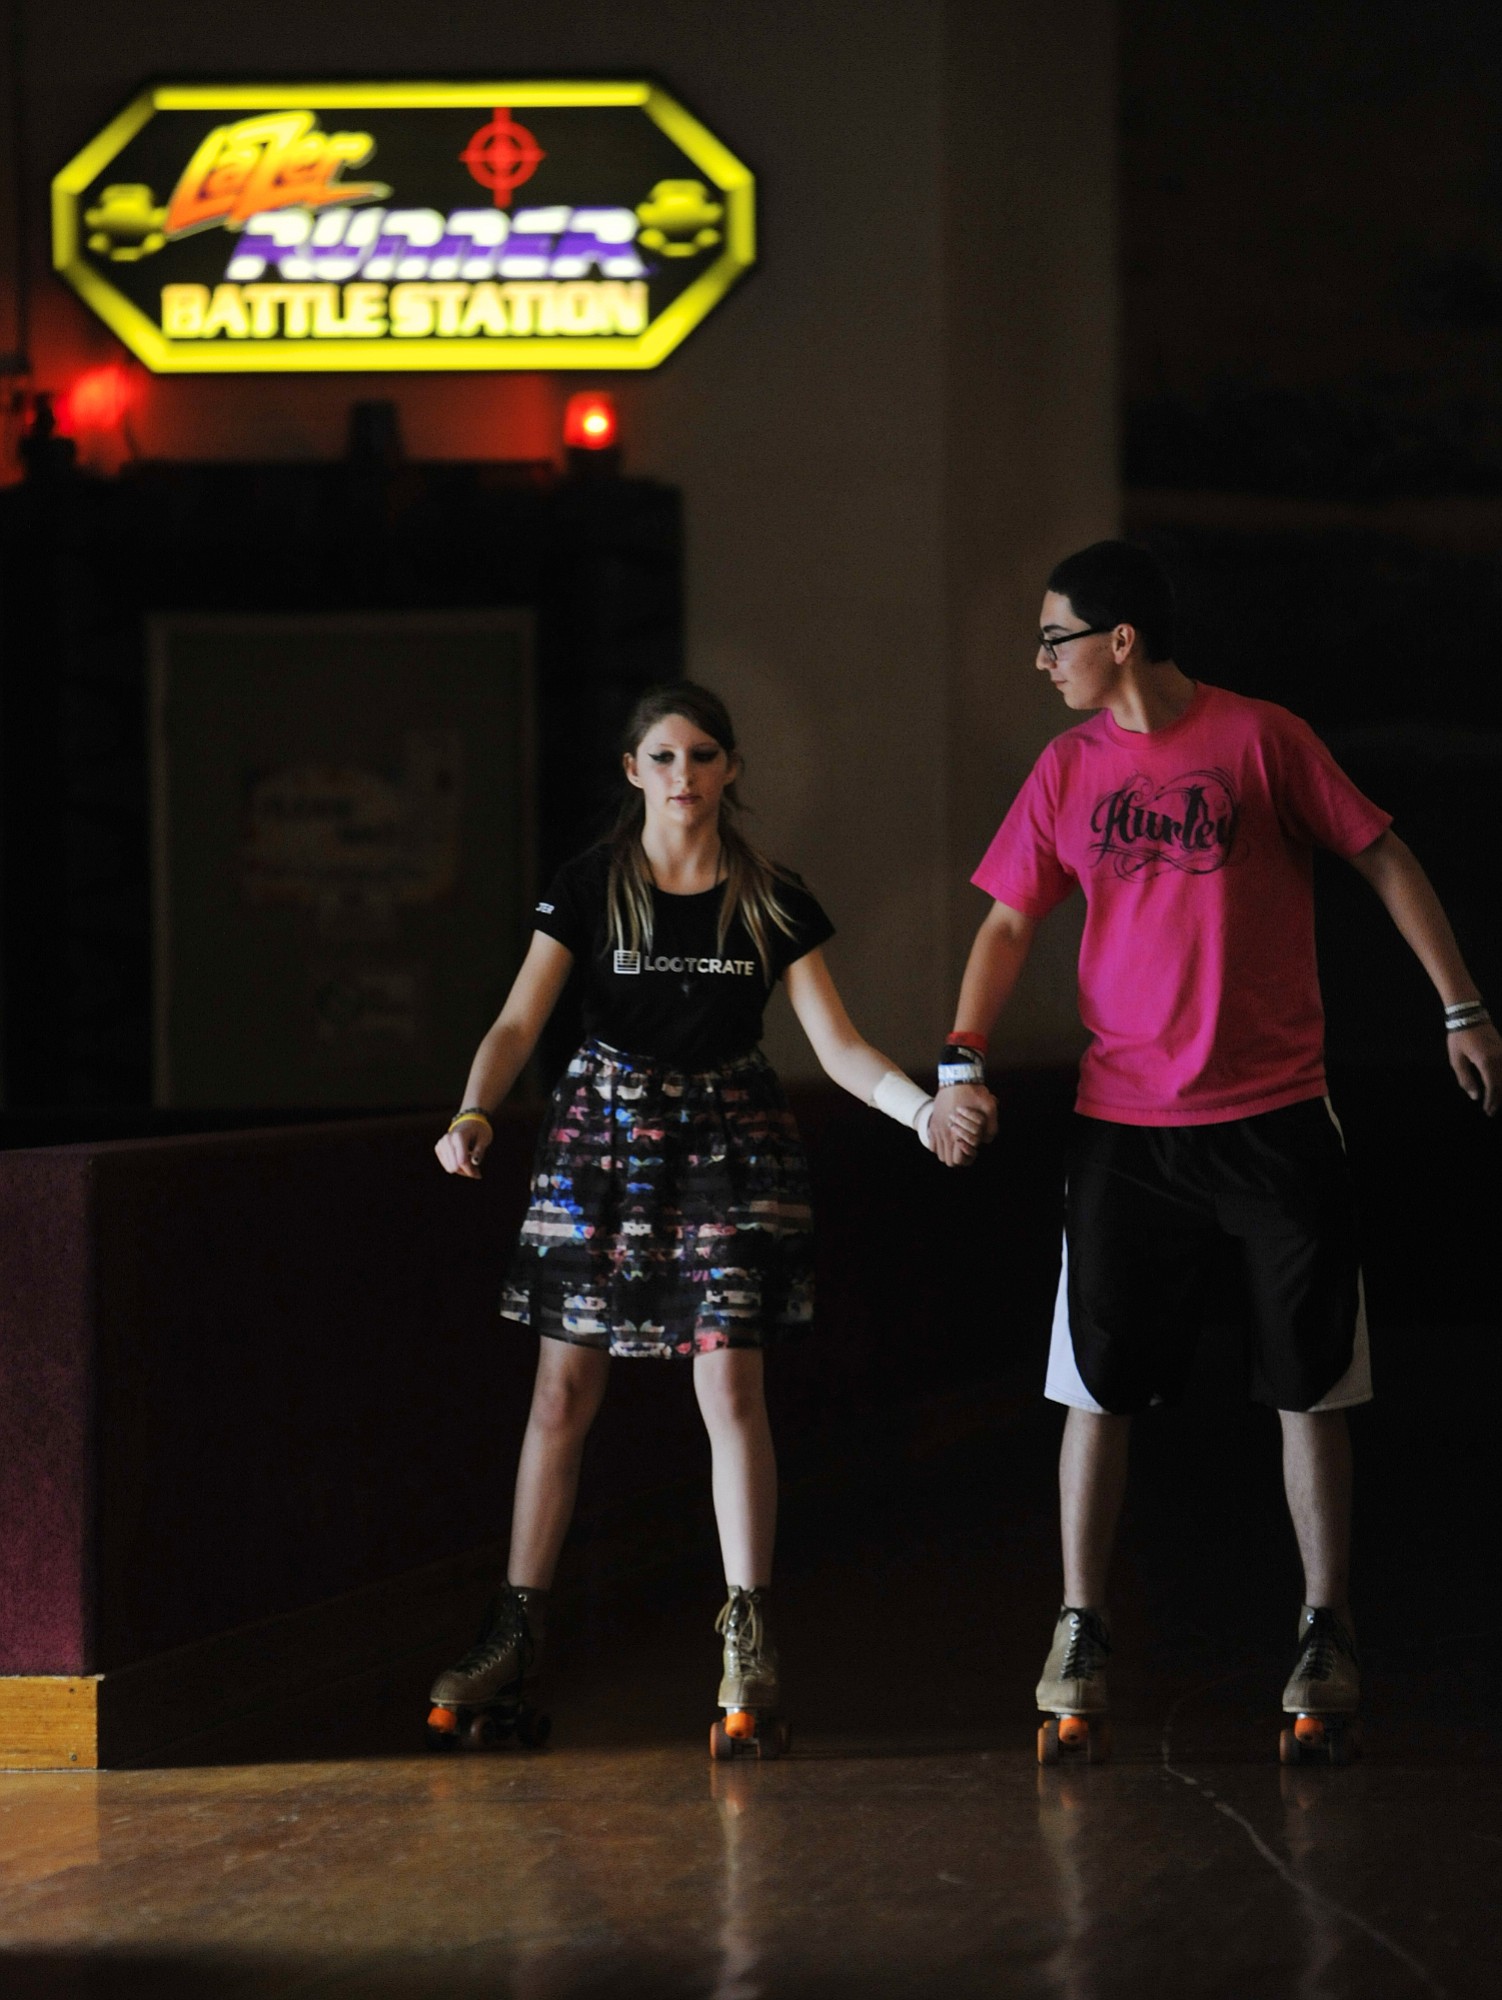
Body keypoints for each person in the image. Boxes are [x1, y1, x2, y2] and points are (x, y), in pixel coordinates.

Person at [929, 540, 1501, 1752]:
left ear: (1118, 639)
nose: (1039, 660)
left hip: (1274, 1115)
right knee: (1094, 1387)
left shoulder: (1259, 739)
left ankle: (1323, 1624)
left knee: (1308, 1385)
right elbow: (1006, 918)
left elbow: (1381, 853)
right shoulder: (1064, 767)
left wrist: (1457, 1004)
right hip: (1121, 1127)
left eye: (1054, 637)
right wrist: (962, 1053)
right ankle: (1078, 1624)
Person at [427, 681, 982, 1753]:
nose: (685, 775)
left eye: (704, 756)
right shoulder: (590, 886)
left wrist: (919, 1111)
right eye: (664, 757)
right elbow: (513, 1019)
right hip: (601, 1144)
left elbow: (838, 1042)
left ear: (731, 771)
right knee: (561, 1388)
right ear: (633, 771)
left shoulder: (769, 896)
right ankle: (514, 1629)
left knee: (730, 1380)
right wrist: (472, 1112)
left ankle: (748, 1635)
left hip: (730, 1140)